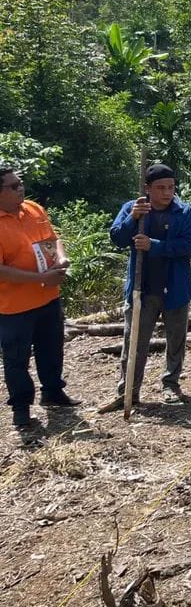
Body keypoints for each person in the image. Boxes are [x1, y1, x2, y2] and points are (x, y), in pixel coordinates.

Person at [101, 164, 191, 411]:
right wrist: (133, 218)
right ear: (147, 189)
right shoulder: (134, 208)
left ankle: (171, 384)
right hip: (142, 288)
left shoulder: (184, 212)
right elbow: (118, 238)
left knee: (176, 340)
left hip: (175, 288)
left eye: (171, 187)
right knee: (134, 341)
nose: (167, 193)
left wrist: (154, 245)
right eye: (160, 188)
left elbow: (187, 245)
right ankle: (128, 392)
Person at [0, 167, 78, 428]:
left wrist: (62, 257)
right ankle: (21, 408)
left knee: (52, 349)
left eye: (20, 183)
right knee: (16, 359)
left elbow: (52, 239)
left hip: (48, 297)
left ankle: (53, 391)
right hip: (13, 307)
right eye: (12, 186)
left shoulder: (33, 209)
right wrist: (39, 279)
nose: (20, 188)